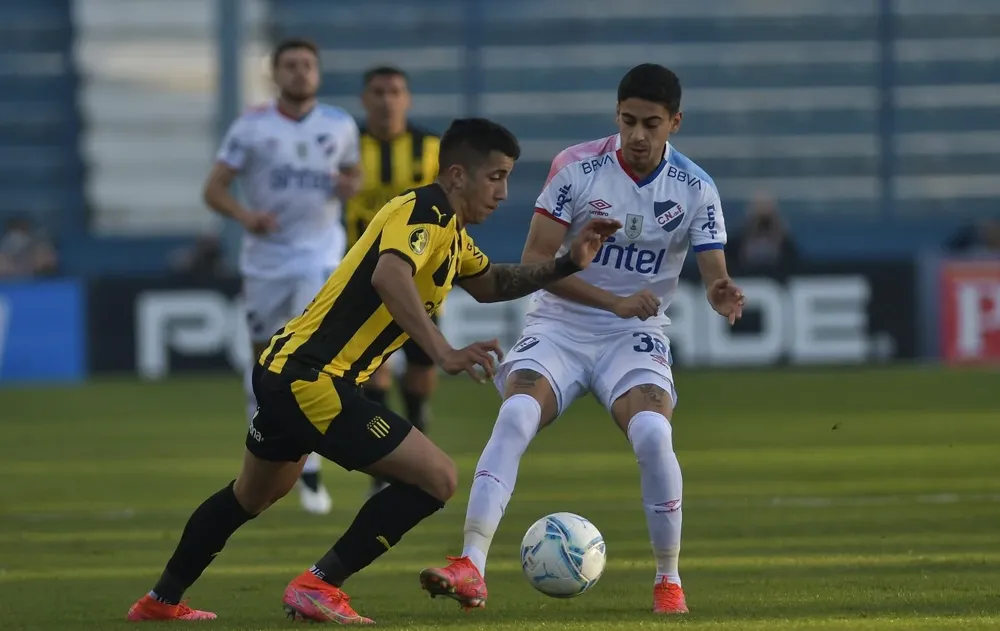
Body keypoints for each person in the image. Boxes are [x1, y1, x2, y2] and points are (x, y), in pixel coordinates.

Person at [125, 117, 621, 624]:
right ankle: (319, 585)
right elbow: (390, 274)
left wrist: (567, 263)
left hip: (289, 372)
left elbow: (491, 281)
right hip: (312, 377)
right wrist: (443, 350)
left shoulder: (450, 234)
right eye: (495, 176)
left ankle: (158, 602)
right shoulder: (423, 209)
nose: (502, 191)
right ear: (456, 175)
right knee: (436, 479)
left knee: (250, 496)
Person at [420, 64, 746, 616]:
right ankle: (470, 564)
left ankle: (668, 580)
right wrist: (614, 300)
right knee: (517, 414)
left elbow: (715, 271)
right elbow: (533, 262)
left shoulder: (695, 187)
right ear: (615, 116)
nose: (638, 135)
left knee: (651, 433)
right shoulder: (576, 168)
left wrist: (720, 291)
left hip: (634, 336)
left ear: (675, 123)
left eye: (652, 123)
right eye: (628, 121)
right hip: (559, 324)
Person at [201, 38, 362, 515]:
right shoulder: (251, 127)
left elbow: (353, 177)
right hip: (266, 259)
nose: (300, 72)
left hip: (320, 253)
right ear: (276, 73)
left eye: (307, 64)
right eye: (290, 65)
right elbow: (213, 189)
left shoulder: (339, 124)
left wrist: (351, 185)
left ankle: (308, 467)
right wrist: (244, 216)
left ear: (318, 72)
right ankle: (262, 452)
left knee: (303, 356)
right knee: (262, 365)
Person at [345, 65, 442, 497]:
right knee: (373, 367)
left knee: (421, 367)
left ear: (408, 99)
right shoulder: (345, 148)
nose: (387, 100)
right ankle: (384, 465)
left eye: (396, 91)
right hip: (359, 278)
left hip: (420, 279)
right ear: (365, 99)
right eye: (378, 92)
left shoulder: (432, 149)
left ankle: (418, 428)